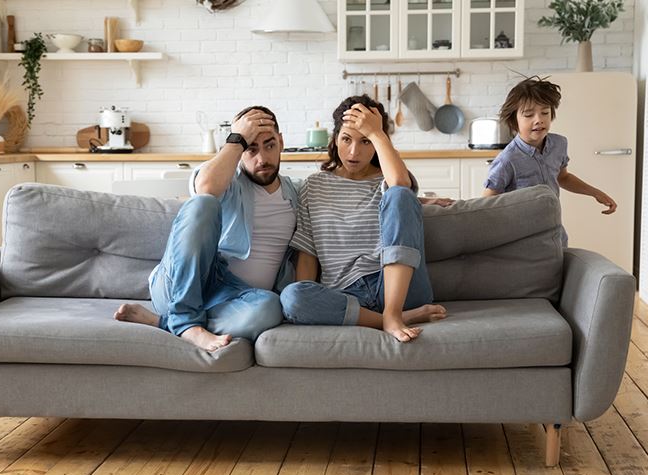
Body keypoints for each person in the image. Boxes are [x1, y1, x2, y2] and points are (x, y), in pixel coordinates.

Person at [114, 106, 299, 352]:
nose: (262, 158)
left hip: (235, 299)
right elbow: (205, 187)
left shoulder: (296, 193)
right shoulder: (227, 182)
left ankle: (165, 322)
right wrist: (237, 139)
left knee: (271, 308)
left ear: (281, 141)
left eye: (270, 145)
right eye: (251, 149)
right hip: (181, 285)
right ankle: (185, 319)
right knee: (203, 203)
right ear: (239, 149)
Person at [279, 95, 448, 343]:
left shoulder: (389, 178)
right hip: (347, 295)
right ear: (335, 138)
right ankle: (398, 318)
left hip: (398, 287)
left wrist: (378, 132)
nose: (354, 152)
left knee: (400, 194)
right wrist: (310, 299)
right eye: (346, 139)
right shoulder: (313, 186)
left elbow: (400, 186)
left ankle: (393, 312)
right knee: (292, 297)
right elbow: (308, 253)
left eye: (366, 141)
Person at [482, 76, 617, 245]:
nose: (539, 119)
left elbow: (563, 177)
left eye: (545, 112)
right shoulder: (507, 160)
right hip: (521, 239)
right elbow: (488, 201)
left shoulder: (559, 144)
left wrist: (595, 193)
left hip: (554, 231)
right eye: (529, 114)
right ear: (514, 121)